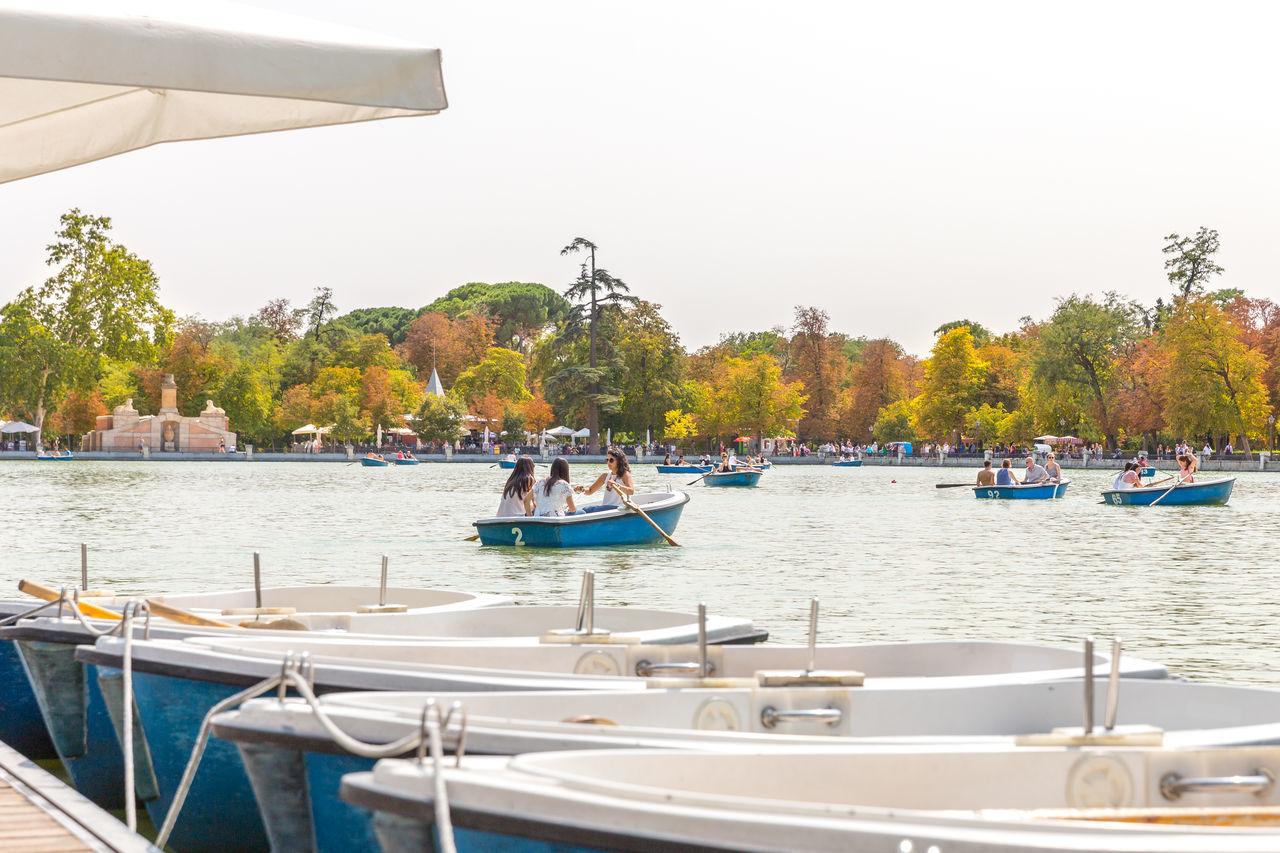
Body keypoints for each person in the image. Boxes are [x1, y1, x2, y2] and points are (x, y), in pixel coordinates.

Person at [577, 446, 635, 511]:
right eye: (607, 460)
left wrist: (617, 485)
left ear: (619, 461)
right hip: (606, 507)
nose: (608, 462)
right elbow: (590, 491)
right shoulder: (605, 476)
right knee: (585, 509)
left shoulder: (625, 474)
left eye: (611, 460)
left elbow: (631, 491)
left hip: (618, 508)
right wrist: (581, 490)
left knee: (587, 510)